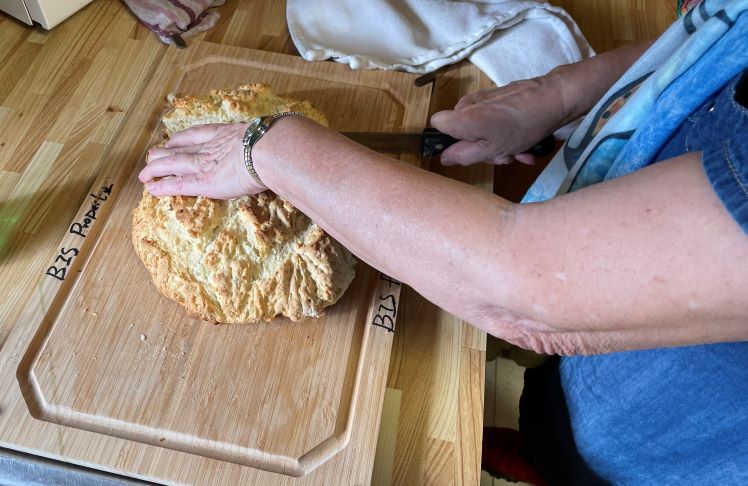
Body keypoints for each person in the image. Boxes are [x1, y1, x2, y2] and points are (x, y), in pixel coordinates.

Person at [138, 0, 747, 483]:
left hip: (661, 433)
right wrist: (557, 94)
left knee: (585, 450)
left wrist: (271, 150)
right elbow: (707, 36)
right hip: (601, 349)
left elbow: (526, 294)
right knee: (549, 412)